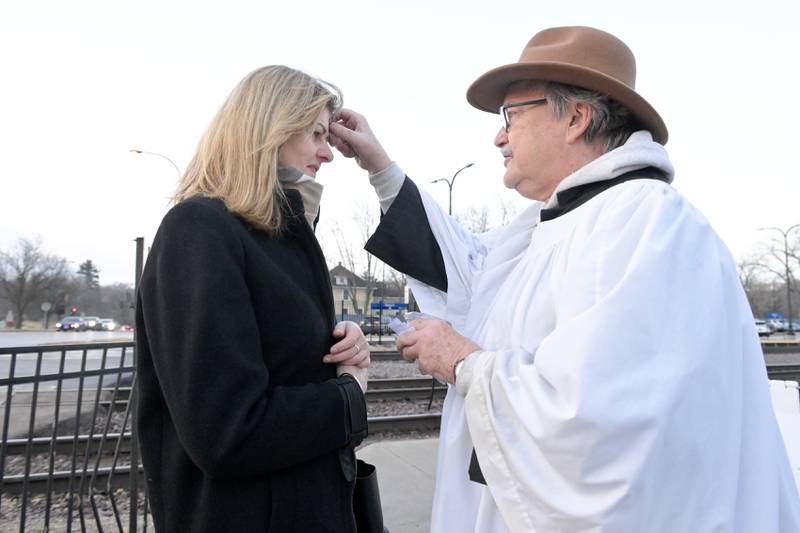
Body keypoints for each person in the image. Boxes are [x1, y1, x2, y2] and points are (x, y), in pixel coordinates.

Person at [330, 26, 800, 532]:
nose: (498, 135)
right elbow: (465, 268)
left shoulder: (647, 228)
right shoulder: (554, 224)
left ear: (576, 118)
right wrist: (379, 166)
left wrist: (464, 361)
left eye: (511, 115)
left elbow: (599, 420)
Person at [136, 65, 371, 532]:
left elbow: (285, 361)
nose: (328, 152)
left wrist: (347, 347)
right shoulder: (199, 231)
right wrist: (349, 396)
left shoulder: (277, 238)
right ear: (271, 126)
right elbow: (226, 433)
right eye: (318, 133)